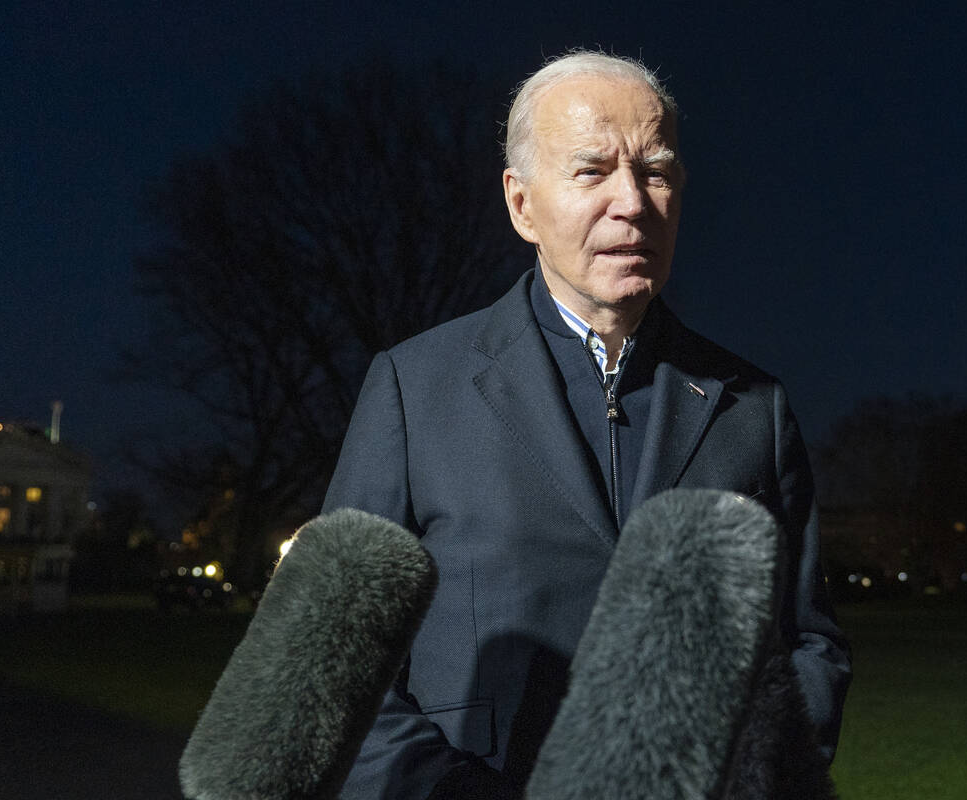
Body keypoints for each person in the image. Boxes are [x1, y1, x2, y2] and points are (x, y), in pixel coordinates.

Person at [322, 50, 851, 799]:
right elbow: (339, 667)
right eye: (592, 171)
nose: (632, 202)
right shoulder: (414, 387)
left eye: (656, 172)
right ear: (521, 203)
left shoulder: (752, 408)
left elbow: (809, 646)